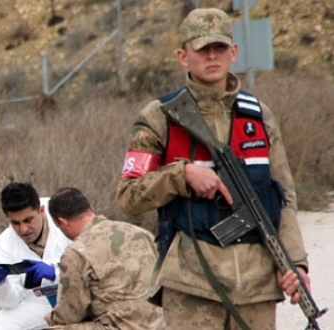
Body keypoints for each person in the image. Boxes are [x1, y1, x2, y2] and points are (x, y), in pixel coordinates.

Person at [115, 8, 310, 329]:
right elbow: (128, 196)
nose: (212, 56)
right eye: (202, 48)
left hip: (257, 286)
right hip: (192, 284)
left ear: (233, 52)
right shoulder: (160, 116)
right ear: (182, 56)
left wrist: (296, 263)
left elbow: (284, 197)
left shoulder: (259, 116)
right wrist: (181, 176)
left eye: (219, 48)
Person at [44, 187, 165, 329]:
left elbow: (70, 314)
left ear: (62, 222)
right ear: (92, 208)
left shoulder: (76, 252)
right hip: (160, 323)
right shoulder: (141, 233)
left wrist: (52, 319)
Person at [0, 182, 71, 330]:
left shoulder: (64, 215)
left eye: (28, 220)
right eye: (15, 223)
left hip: (79, 296)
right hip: (40, 302)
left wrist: (55, 273)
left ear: (41, 210)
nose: (23, 229)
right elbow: (10, 303)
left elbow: (94, 266)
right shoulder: (4, 243)